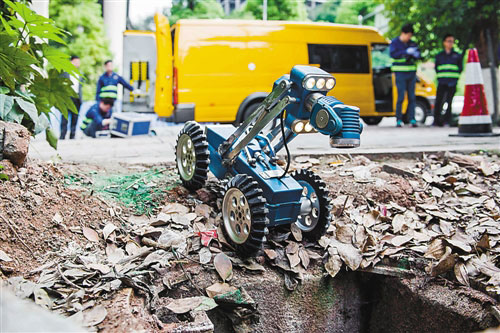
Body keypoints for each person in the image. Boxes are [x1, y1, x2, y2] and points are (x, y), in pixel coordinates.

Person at [390, 23, 421, 127]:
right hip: (400, 74)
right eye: (408, 35)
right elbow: (393, 54)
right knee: (401, 97)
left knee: (412, 97)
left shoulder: (412, 44)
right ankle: (399, 119)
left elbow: (418, 55)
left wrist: (415, 54)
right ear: (403, 33)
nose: (409, 38)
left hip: (411, 74)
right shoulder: (394, 43)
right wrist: (405, 52)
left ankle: (412, 119)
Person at [433, 34, 463, 126]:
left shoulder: (457, 56)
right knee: (439, 101)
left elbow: (460, 68)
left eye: (452, 41)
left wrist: (455, 79)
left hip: (452, 82)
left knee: (449, 102)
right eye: (449, 41)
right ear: (444, 42)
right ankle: (436, 121)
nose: (451, 43)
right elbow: (437, 68)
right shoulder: (439, 56)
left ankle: (447, 121)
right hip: (442, 82)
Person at [60, 56, 82, 139]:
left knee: (75, 117)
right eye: (76, 61)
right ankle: (63, 135)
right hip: (67, 97)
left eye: (78, 62)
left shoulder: (80, 74)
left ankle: (72, 135)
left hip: (77, 98)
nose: (77, 64)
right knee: (65, 117)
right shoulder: (65, 73)